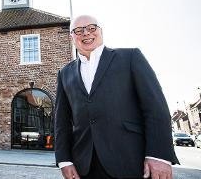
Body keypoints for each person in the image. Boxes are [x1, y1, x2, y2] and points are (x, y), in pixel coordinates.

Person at [55, 15, 179, 179]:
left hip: (131, 161)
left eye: (91, 28)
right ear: (72, 37)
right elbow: (61, 121)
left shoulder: (130, 57)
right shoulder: (65, 73)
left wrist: (159, 155)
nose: (85, 33)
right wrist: (64, 160)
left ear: (101, 31)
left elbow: (155, 108)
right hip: (84, 167)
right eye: (78, 31)